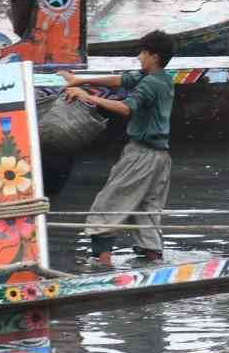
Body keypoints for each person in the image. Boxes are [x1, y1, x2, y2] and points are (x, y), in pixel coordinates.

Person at [61, 30, 178, 268]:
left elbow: (127, 108)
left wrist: (87, 97)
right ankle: (152, 261)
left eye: (142, 53)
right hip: (161, 158)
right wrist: (80, 80)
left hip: (141, 155)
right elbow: (120, 81)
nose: (138, 57)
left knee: (107, 205)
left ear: (153, 56)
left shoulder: (150, 84)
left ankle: (102, 264)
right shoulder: (163, 78)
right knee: (146, 209)